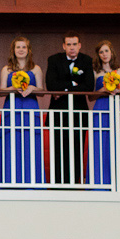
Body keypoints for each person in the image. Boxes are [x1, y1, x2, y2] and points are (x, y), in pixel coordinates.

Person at [0, 36, 46, 185]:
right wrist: (13, 88)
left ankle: (33, 181)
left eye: (24, 47)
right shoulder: (7, 69)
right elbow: (1, 92)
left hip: (30, 106)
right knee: (11, 142)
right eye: (18, 47)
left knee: (31, 142)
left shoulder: (36, 69)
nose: (21, 50)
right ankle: (9, 180)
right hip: (12, 107)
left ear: (28, 50)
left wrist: (32, 87)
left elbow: (42, 91)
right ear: (13, 50)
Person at [46, 31, 95, 184]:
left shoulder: (86, 60)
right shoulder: (54, 59)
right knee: (58, 149)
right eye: (69, 44)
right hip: (58, 112)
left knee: (77, 149)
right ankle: (57, 183)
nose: (72, 47)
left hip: (78, 113)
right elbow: (51, 85)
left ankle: (74, 182)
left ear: (79, 45)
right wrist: (73, 85)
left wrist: (64, 90)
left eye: (75, 44)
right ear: (63, 46)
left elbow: (88, 86)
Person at [87, 40, 120, 187]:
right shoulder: (95, 72)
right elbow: (90, 96)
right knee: (100, 143)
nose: (104, 54)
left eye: (106, 51)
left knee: (119, 142)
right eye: (101, 52)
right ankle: (99, 182)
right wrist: (103, 90)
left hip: (117, 107)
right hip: (101, 108)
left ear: (111, 52)